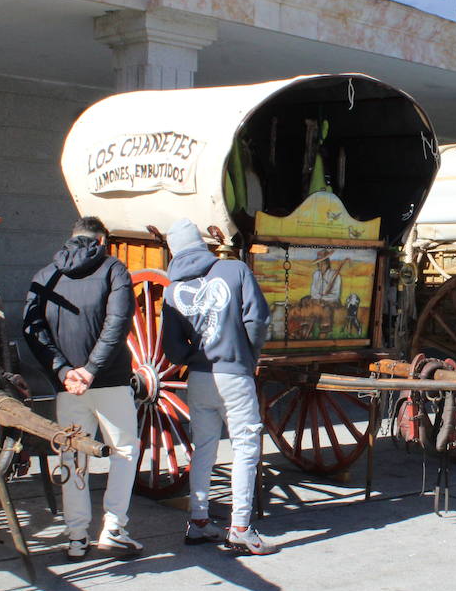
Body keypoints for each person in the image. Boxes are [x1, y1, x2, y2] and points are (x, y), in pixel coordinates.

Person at [23, 216, 143, 561]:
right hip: (111, 380)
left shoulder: (46, 275)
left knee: (72, 456)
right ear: (101, 240)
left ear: (72, 238)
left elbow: (32, 329)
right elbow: (118, 323)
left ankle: (76, 536)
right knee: (123, 451)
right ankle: (114, 528)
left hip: (67, 387)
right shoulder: (113, 270)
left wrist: (63, 370)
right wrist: (91, 370)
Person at [160, 218, 273, 555]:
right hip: (234, 373)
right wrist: (248, 356)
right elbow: (258, 318)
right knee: (245, 447)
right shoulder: (234, 270)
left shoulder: (171, 290)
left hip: (198, 377)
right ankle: (239, 526)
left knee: (204, 448)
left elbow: (172, 348)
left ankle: (198, 521)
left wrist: (193, 354)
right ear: (201, 244)